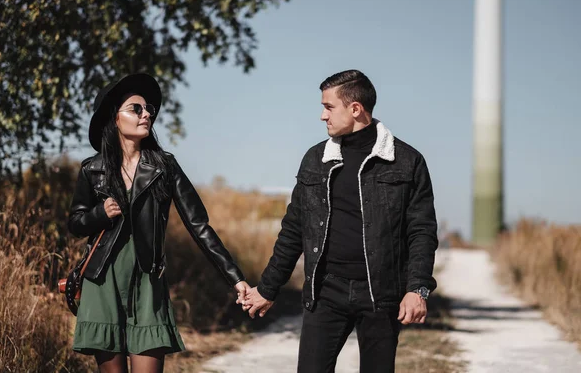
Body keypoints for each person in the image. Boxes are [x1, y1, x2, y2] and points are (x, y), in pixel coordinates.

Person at [242, 69, 438, 372]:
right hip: (326, 292)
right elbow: (294, 229)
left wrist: (417, 289)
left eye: (328, 106)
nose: (322, 116)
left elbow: (421, 232)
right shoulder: (316, 160)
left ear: (355, 109)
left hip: (381, 293)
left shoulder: (406, 161)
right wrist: (268, 288)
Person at [67, 73, 250, 373]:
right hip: (102, 282)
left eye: (148, 108)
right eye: (135, 109)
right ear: (115, 119)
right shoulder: (93, 169)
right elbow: (75, 223)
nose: (146, 113)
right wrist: (99, 214)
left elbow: (199, 225)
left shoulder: (164, 166)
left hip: (148, 282)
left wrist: (235, 278)